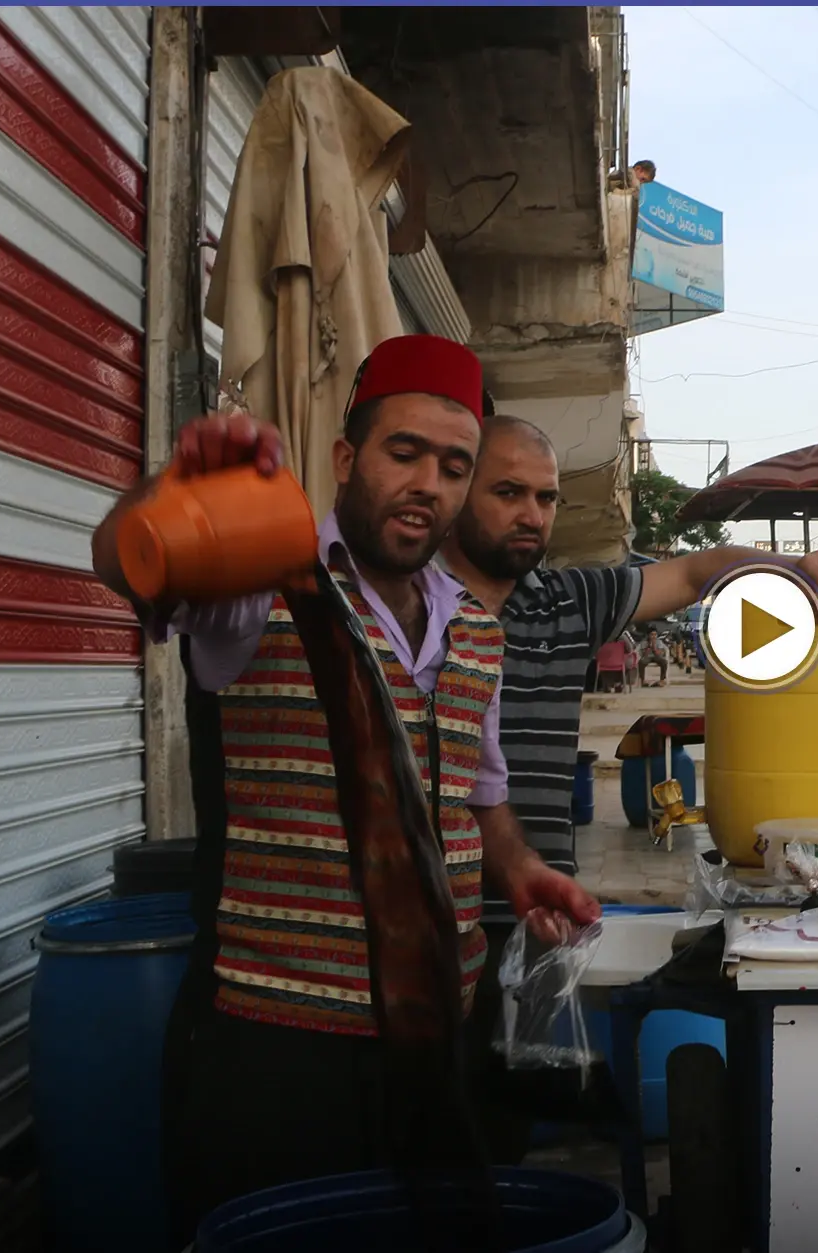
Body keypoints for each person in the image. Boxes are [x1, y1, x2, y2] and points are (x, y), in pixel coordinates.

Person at [88, 335, 601, 1241]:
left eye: (454, 467)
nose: (428, 486)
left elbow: (480, 789)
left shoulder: (476, 630)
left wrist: (517, 868)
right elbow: (127, 557)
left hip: (438, 1040)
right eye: (404, 453)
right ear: (345, 458)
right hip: (278, 1054)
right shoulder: (260, 583)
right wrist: (171, 490)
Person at [439, 413, 818, 875]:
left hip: (543, 912)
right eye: (508, 493)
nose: (532, 516)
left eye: (547, 498)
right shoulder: (407, 610)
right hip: (431, 911)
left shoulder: (571, 601)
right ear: (456, 491)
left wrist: (798, 566)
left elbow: (693, 572)